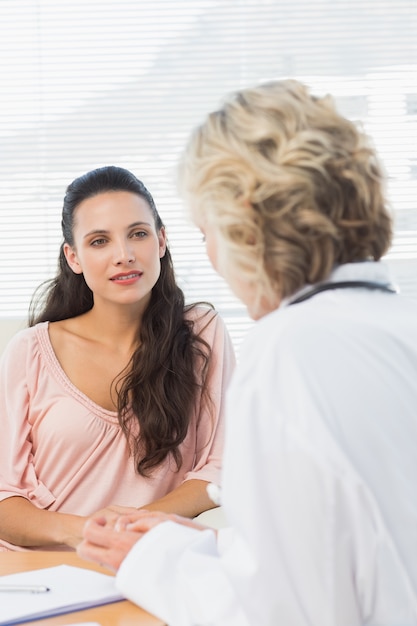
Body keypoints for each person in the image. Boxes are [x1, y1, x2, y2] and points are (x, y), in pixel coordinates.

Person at [77, 80, 417, 625]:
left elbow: (283, 613)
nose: (210, 254)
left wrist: (153, 561)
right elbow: (363, 544)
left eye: (206, 230)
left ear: (246, 222)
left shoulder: (294, 352)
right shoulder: (398, 327)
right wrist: (220, 548)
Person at [0, 165, 235, 552]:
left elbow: (220, 467)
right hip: (40, 570)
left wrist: (137, 527)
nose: (123, 256)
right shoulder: (30, 351)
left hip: (146, 558)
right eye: (99, 242)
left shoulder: (201, 332)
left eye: (138, 234)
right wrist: (87, 532)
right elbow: (6, 502)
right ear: (73, 257)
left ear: (161, 241)